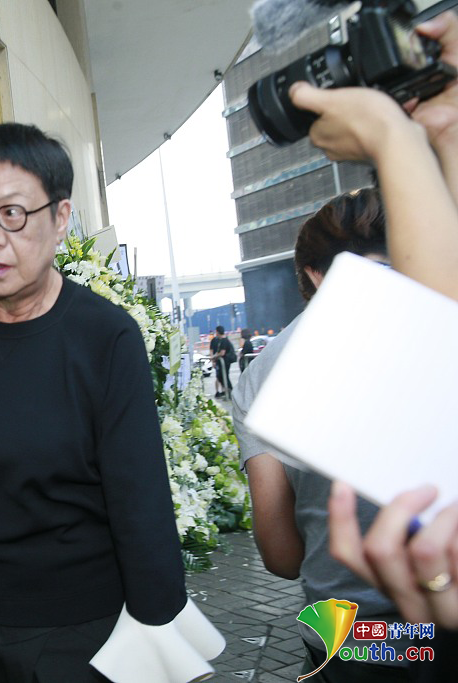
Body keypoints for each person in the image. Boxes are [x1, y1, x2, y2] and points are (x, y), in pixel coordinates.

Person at [0, 122, 223, 683]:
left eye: (12, 214)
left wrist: (159, 631)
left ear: (60, 218)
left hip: (78, 625)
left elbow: (141, 501)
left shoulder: (105, 338)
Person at [281, 10, 458, 682]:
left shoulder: (278, 364)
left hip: (348, 623)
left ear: (312, 273)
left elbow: (277, 551)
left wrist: (397, 139)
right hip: (418, 617)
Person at [231, 189, 411, 682]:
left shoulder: (264, 374)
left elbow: (283, 557)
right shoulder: (440, 322)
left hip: (351, 638)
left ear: (313, 274)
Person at [210, 325, 234, 398]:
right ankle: (228, 392)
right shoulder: (223, 340)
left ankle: (230, 391)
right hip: (224, 362)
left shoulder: (224, 341)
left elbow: (222, 352)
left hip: (225, 361)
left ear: (218, 332)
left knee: (223, 376)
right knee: (222, 376)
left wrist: (214, 357)